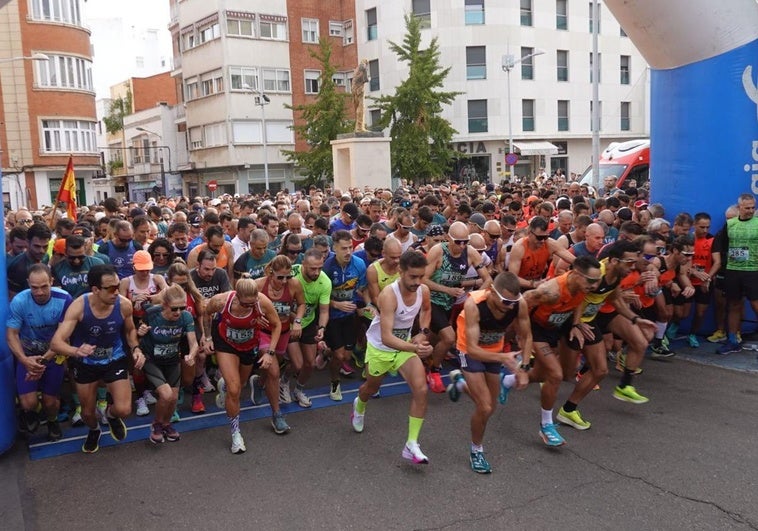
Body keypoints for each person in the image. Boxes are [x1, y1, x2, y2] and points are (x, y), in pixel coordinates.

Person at [50, 264, 146, 454]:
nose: (116, 292)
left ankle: (110, 416)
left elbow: (130, 330)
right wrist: (77, 350)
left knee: (124, 409)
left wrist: (136, 348)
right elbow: (56, 343)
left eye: (117, 286)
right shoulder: (79, 306)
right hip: (86, 363)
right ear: (95, 289)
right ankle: (94, 430)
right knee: (87, 413)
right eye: (110, 288)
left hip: (114, 357)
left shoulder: (123, 304)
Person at [351, 251, 434, 465]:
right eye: (413, 277)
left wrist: (423, 332)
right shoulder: (389, 295)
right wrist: (416, 348)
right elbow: (387, 337)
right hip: (380, 348)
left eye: (421, 277)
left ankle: (411, 444)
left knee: (421, 389)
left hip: (404, 347)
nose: (417, 282)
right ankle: (359, 405)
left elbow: (426, 311)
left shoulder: (423, 290)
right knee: (370, 388)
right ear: (401, 272)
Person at [446, 272, 531, 473]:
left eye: (513, 301)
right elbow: (474, 349)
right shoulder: (474, 305)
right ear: (491, 291)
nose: (509, 305)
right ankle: (476, 450)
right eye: (505, 301)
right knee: (484, 407)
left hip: (495, 349)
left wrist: (524, 367)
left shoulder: (519, 304)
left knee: (490, 408)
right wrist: (506, 359)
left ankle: (460, 384)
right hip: (470, 350)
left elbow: (526, 336)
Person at [522, 256, 603, 447]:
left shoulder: (583, 286)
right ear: (575, 274)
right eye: (590, 281)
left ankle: (508, 380)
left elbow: (579, 301)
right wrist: (521, 335)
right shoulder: (551, 291)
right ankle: (546, 425)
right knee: (555, 375)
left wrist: (576, 323)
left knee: (552, 374)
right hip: (538, 329)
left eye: (597, 280)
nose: (594, 285)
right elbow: (523, 301)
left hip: (558, 326)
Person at [207, 278, 286, 453]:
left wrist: (270, 354)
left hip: (249, 345)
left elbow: (276, 325)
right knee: (235, 389)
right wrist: (207, 338)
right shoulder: (221, 300)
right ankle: (236, 433)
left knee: (240, 386)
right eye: (246, 304)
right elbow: (206, 313)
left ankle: (225, 387)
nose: (250, 307)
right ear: (237, 296)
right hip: (225, 344)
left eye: (253, 303)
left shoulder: (262, 301)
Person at [424, 221, 492, 393]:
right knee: (448, 337)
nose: (461, 246)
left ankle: (421, 356)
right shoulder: (438, 251)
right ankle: (434, 371)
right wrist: (447, 289)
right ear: (448, 238)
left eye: (465, 242)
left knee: (433, 337)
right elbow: (422, 279)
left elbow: (488, 279)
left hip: (450, 301)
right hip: (431, 300)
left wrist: (473, 298)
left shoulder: (471, 253)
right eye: (458, 242)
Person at [8, 264, 73, 441]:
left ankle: (52, 421)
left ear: (51, 281)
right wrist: (24, 360)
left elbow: (63, 337)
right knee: (28, 403)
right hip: (28, 356)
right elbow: (11, 334)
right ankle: (30, 412)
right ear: (28, 283)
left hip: (53, 355)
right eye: (34, 287)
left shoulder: (64, 299)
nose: (39, 292)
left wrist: (42, 362)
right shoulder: (20, 301)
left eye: (44, 286)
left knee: (51, 402)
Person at [137, 284, 199, 443]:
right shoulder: (151, 314)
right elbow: (134, 331)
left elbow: (193, 342)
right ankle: (156, 424)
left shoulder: (186, 317)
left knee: (174, 397)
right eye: (174, 309)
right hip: (152, 359)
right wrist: (140, 332)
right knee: (166, 395)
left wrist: (191, 355)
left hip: (172, 359)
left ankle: (166, 424)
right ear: (164, 305)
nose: (178, 312)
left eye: (182, 307)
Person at [253, 256, 307, 408]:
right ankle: (277, 413)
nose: (284, 281)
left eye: (288, 276)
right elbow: (245, 304)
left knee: (270, 366)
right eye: (280, 277)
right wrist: (255, 318)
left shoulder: (294, 284)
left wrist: (297, 321)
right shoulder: (259, 285)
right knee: (275, 372)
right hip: (263, 332)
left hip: (283, 332)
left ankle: (259, 382)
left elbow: (302, 304)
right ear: (271, 273)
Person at [322, 230, 368, 400]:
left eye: (350, 247)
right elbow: (321, 297)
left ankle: (326, 352)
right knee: (340, 355)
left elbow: (360, 290)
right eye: (344, 248)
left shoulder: (359, 264)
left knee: (347, 356)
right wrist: (336, 304)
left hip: (350, 316)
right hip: (332, 316)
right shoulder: (327, 267)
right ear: (334, 248)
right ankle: (335, 382)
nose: (348, 251)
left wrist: (366, 306)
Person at [716, 193, 758, 354]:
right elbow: (723, 246)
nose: (750, 210)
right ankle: (732, 340)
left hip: (753, 271)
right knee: (733, 305)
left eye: (753, 207)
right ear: (739, 207)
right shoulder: (731, 223)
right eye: (747, 208)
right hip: (733, 270)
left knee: (755, 305)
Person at [288, 248, 331, 403]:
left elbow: (324, 311)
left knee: (310, 364)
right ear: (303, 264)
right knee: (298, 364)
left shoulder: (325, 282)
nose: (317, 272)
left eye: (320, 268)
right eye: (313, 268)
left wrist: (321, 328)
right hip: (288, 323)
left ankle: (298, 389)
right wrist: (296, 321)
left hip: (308, 322)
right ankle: (284, 382)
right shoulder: (292, 274)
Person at [352, 58, 369, 132]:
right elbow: (365, 79)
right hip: (359, 90)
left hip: (354, 90)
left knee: (357, 107)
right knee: (361, 108)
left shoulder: (356, 70)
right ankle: (360, 127)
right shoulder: (363, 67)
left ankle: (358, 127)